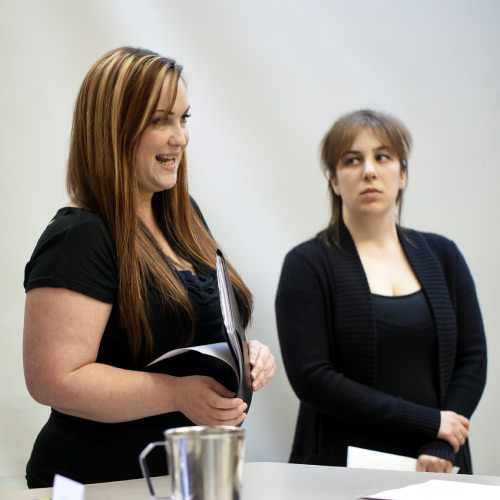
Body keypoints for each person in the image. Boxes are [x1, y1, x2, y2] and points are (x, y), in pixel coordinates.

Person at [23, 46, 276, 488]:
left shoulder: (181, 215)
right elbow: (54, 380)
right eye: (161, 120)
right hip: (99, 483)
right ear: (112, 129)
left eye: (184, 118)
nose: (181, 137)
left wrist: (246, 357)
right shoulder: (80, 236)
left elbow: (192, 328)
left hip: (181, 477)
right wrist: (177, 394)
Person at [275, 109, 486, 474]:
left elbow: (472, 358)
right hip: (340, 470)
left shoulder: (443, 255)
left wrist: (441, 441)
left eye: (382, 157)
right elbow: (313, 379)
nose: (369, 170)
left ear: (401, 174)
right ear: (334, 180)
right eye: (352, 160)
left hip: (438, 465)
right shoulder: (307, 264)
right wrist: (429, 421)